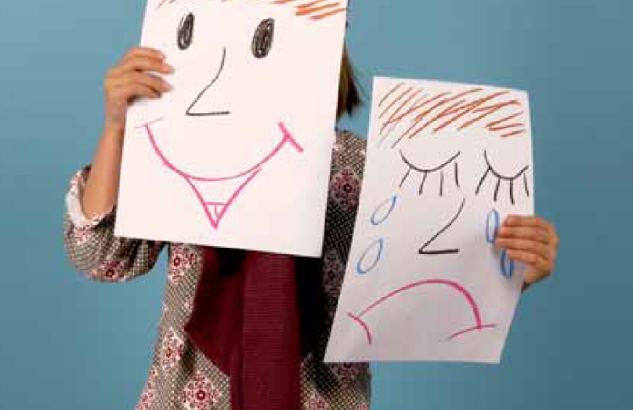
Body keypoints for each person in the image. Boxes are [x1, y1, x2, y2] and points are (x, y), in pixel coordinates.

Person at [63, 44, 559, 410]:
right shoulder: (180, 154)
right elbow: (99, 256)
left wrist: (507, 271)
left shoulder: (365, 170)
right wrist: (117, 128)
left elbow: (426, 289)